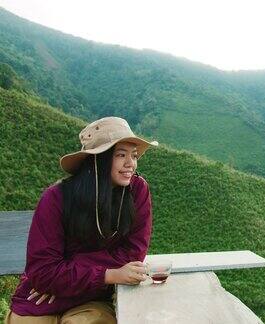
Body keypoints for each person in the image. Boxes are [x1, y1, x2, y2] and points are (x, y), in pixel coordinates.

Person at [5, 117, 158, 324]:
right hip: (43, 297)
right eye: (121, 155)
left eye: (134, 155)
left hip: (94, 295)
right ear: (99, 159)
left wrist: (64, 277)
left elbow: (133, 253)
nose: (130, 163)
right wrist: (108, 274)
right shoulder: (56, 198)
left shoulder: (137, 190)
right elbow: (43, 272)